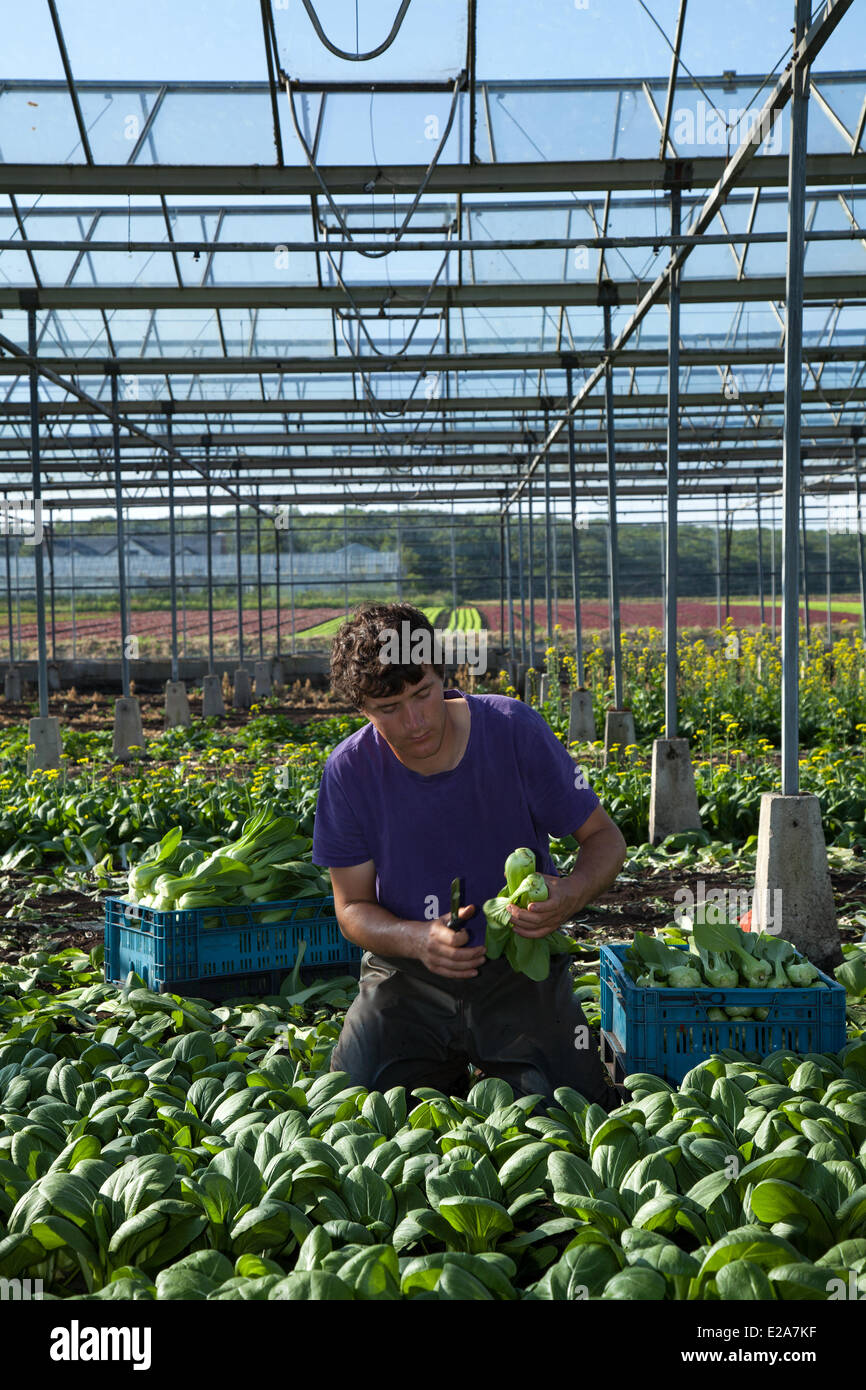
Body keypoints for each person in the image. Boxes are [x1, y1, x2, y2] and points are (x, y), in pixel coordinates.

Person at [311, 602, 627, 1108]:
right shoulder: (349, 772)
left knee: (575, 1106)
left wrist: (569, 895)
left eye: (423, 693)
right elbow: (351, 909)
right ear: (363, 710)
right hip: (407, 974)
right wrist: (417, 939)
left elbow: (606, 841)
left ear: (444, 674)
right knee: (353, 1107)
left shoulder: (513, 730)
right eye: (389, 709)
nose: (414, 721)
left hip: (519, 968)